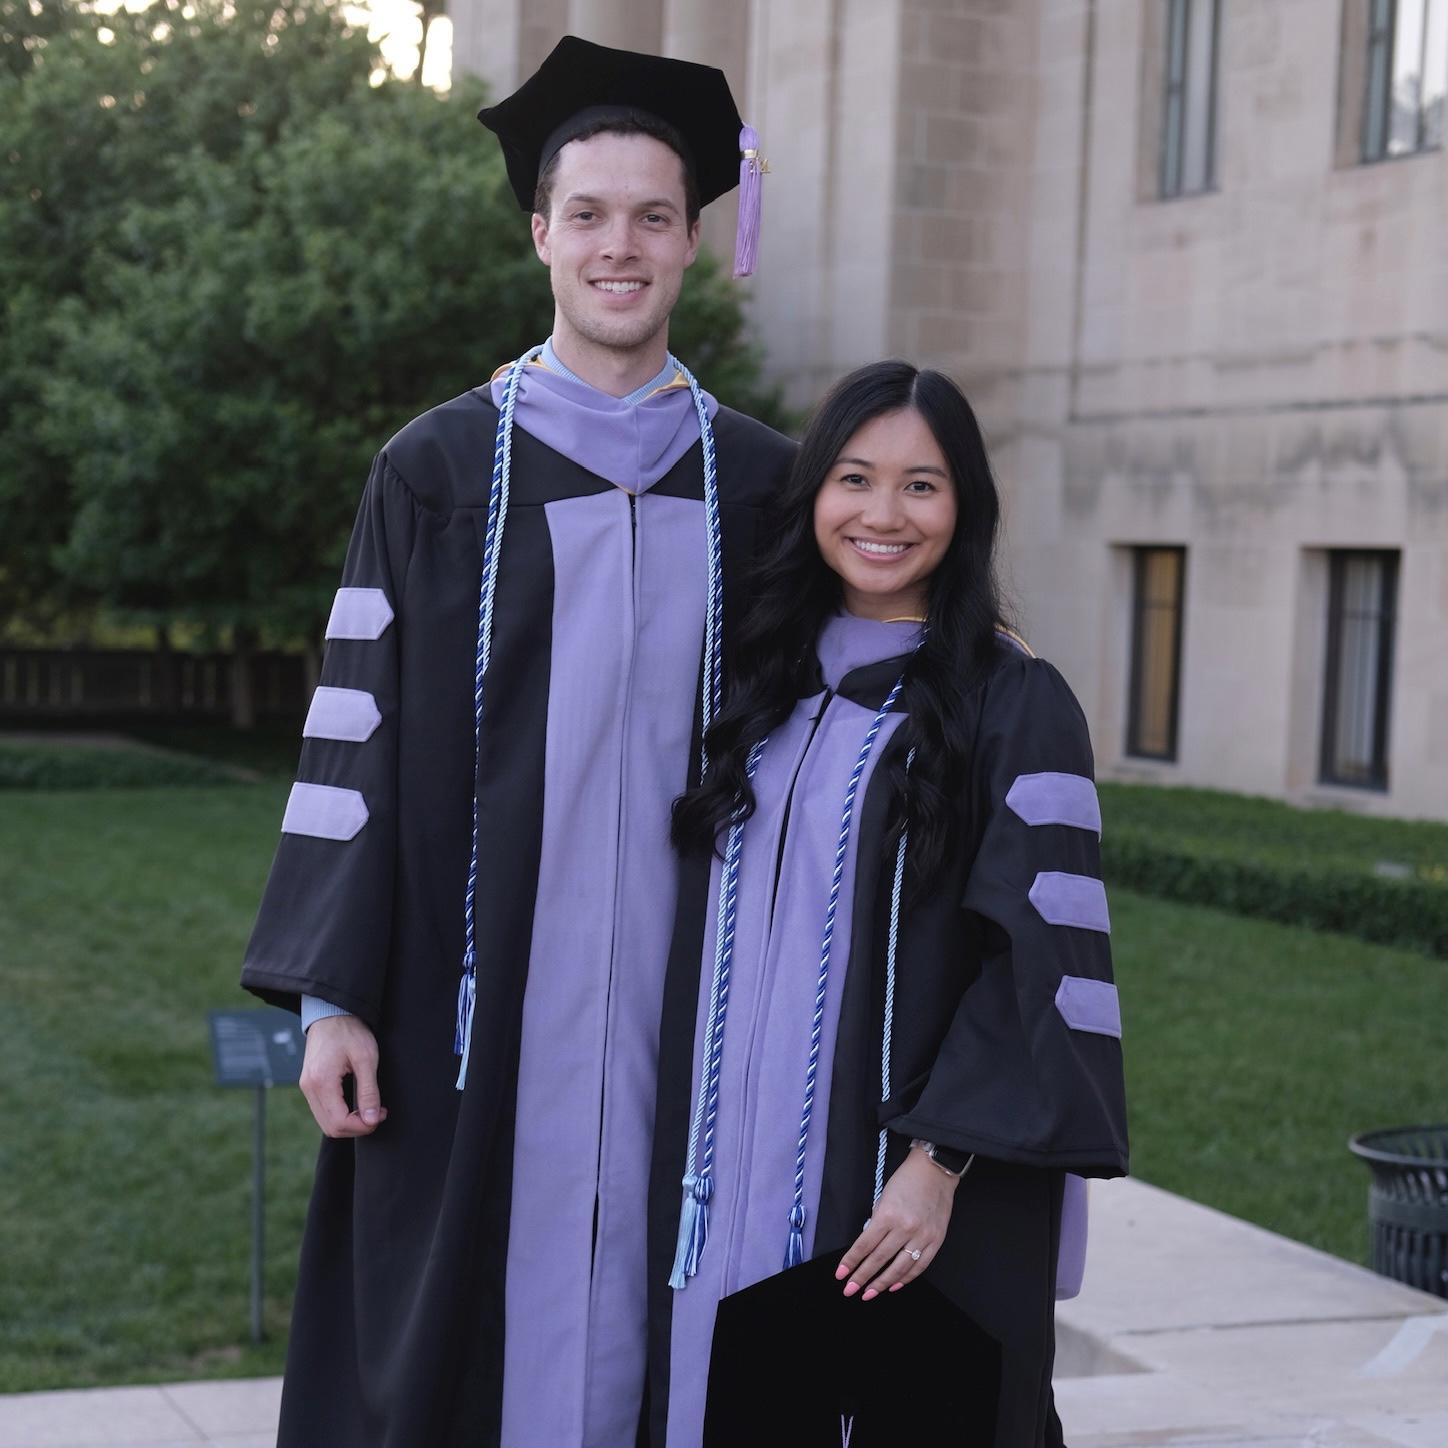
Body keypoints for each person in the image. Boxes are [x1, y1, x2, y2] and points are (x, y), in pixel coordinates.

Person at [239, 35, 794, 1448]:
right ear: (541, 231)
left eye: (654, 217)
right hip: (468, 999)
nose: (622, 246)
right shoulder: (434, 470)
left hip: (698, 1002)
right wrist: (330, 998)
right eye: (591, 215)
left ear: (693, 239)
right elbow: (352, 735)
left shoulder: (764, 485)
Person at [647, 362, 1129, 1447]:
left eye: (921, 485)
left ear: (964, 510)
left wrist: (934, 1162)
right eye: (853, 478)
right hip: (720, 1182)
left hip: (890, 1190)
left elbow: (1039, 959)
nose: (880, 514)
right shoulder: (755, 682)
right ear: (812, 493)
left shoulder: (1010, 701)